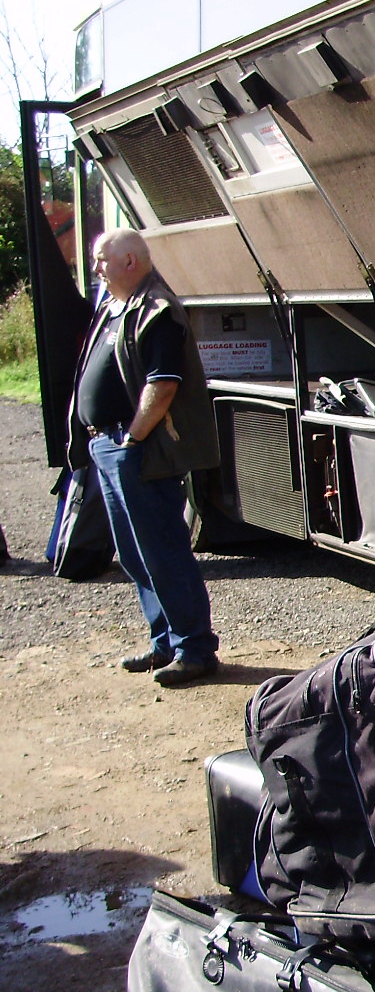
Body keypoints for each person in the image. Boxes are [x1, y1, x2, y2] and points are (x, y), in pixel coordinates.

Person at [65, 228, 221, 687]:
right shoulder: (114, 307)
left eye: (101, 259)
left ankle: (194, 650)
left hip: (137, 450)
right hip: (107, 446)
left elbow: (164, 383)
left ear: (130, 261)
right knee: (135, 554)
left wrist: (132, 439)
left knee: (162, 551)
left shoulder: (156, 310)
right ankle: (165, 642)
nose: (95, 267)